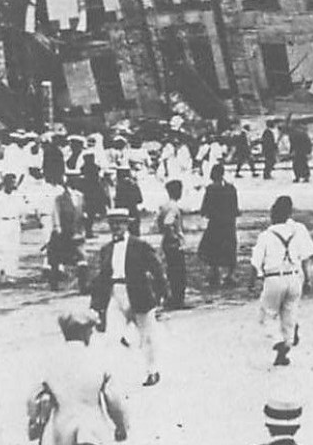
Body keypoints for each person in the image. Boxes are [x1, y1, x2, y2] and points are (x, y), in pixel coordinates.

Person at [28, 309, 129, 445]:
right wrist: (121, 425)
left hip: (59, 434)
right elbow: (113, 399)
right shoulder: (99, 359)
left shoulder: (49, 360)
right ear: (85, 332)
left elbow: (33, 398)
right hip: (92, 430)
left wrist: (35, 422)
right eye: (90, 330)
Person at [89, 209, 166, 387]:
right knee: (111, 337)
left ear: (127, 224)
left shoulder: (139, 245)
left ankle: (152, 371)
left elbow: (157, 269)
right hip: (116, 293)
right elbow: (101, 278)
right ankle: (109, 375)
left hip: (138, 292)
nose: (116, 227)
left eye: (120, 223)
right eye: (112, 223)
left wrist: (162, 293)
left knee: (147, 335)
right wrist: (96, 304)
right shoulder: (106, 250)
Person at [249, 195, 313, 367]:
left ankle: (278, 341)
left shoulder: (266, 235)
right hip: (295, 276)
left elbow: (255, 262)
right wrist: (310, 277)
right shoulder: (298, 229)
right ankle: (287, 342)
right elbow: (308, 255)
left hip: (273, 278)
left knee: (268, 313)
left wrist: (252, 281)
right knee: (290, 312)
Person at [197, 163, 239, 286]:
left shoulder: (211, 189)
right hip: (229, 223)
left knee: (213, 247)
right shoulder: (231, 188)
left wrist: (207, 213)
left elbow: (205, 208)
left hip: (215, 223)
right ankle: (230, 274)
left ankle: (215, 272)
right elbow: (235, 208)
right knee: (230, 247)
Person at [154, 179, 189, 309]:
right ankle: (178, 299)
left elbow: (159, 222)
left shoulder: (164, 206)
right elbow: (168, 223)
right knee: (178, 272)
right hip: (174, 243)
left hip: (166, 242)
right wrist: (174, 236)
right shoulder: (174, 208)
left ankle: (172, 297)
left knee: (171, 270)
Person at [0, 172, 25, 283]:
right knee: (4, 249)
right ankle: (2, 272)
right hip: (1, 224)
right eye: (11, 182)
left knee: (14, 250)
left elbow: (23, 210)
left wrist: (22, 221)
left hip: (14, 223)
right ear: (5, 183)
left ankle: (11, 274)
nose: (13, 185)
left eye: (14, 182)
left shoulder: (17, 196)